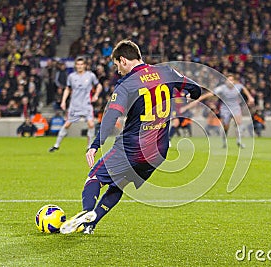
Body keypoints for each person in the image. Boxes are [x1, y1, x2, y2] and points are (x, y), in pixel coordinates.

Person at [59, 40, 201, 234]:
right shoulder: (167, 72)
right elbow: (196, 89)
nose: (117, 70)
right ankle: (90, 225)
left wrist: (95, 145)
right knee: (118, 184)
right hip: (158, 151)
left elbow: (110, 118)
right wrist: (186, 94)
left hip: (132, 147)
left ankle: (86, 211)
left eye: (117, 65)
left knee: (94, 177)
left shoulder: (126, 84)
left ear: (124, 60)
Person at [182, 74, 253, 148]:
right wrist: (199, 99)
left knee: (239, 124)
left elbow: (244, 89)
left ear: (234, 81)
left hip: (235, 107)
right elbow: (210, 94)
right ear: (226, 81)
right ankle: (224, 140)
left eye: (231, 80)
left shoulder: (238, 86)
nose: (230, 82)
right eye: (228, 80)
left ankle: (239, 141)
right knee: (226, 126)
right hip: (225, 108)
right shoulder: (222, 88)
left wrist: (250, 97)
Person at [49, 57, 103, 152]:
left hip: (86, 105)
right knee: (67, 124)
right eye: (78, 64)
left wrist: (96, 95)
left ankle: (89, 146)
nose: (79, 66)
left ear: (85, 65)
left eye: (81, 64)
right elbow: (67, 89)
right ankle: (56, 145)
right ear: (75, 66)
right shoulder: (71, 76)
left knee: (91, 124)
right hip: (74, 105)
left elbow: (99, 85)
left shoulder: (90, 76)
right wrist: (63, 101)